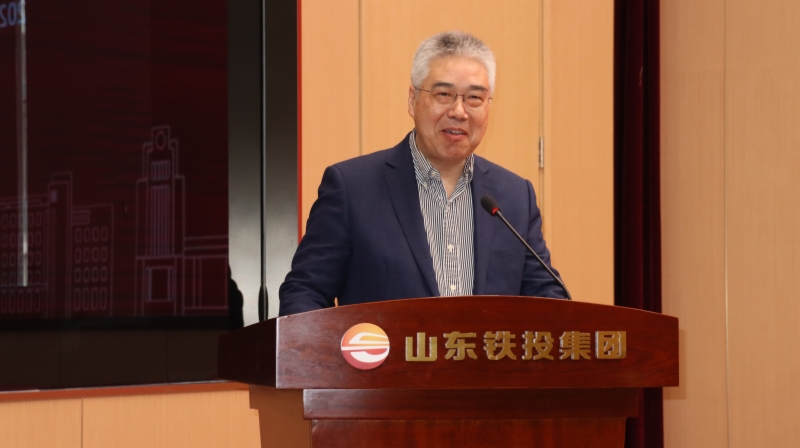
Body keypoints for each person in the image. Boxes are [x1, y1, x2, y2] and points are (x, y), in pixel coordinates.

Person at [279, 30, 567, 316]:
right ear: (412, 100)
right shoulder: (352, 188)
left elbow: (548, 299)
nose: (459, 111)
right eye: (444, 94)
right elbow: (305, 291)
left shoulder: (515, 197)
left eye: (474, 98)